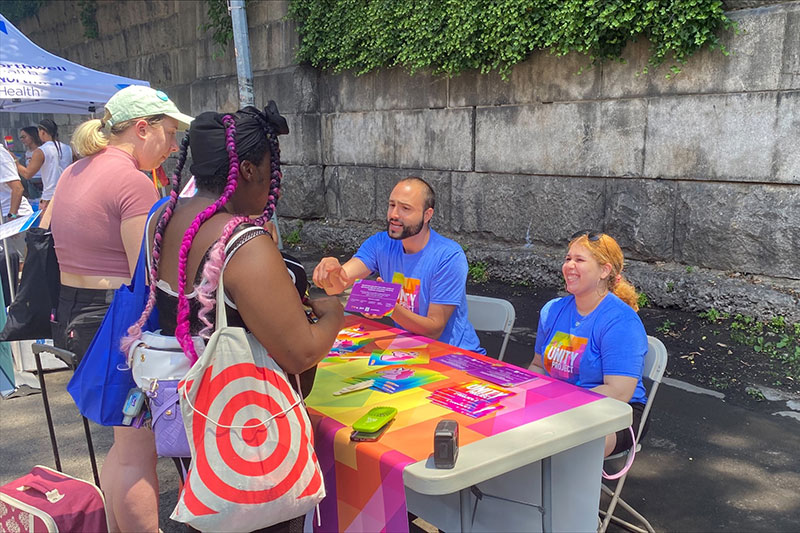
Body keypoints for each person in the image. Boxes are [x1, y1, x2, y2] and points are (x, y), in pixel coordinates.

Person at [123, 102, 343, 531]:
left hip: (195, 413)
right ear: (246, 170)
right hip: (248, 429)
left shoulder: (163, 222)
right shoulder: (243, 242)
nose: (270, 179)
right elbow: (300, 352)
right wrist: (334, 313)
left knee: (212, 510)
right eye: (267, 167)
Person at [49, 85, 192, 533]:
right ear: (142, 128)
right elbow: (147, 273)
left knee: (122, 442)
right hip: (116, 320)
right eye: (169, 134)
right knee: (137, 451)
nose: (172, 147)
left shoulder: (76, 169)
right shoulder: (131, 179)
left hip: (75, 312)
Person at [313, 177, 484, 354]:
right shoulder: (380, 243)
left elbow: (434, 330)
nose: (394, 214)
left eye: (405, 208)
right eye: (392, 205)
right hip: (407, 352)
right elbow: (338, 284)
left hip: (455, 356)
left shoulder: (448, 256)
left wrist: (390, 307)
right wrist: (330, 270)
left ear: (427, 215)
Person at [529, 231, 648, 457]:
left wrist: (559, 404)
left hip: (618, 412)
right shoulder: (552, 310)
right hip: (559, 405)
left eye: (580, 260)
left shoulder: (620, 321)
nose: (569, 266)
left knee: (562, 446)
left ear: (604, 271)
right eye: (567, 259)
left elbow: (619, 391)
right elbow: (537, 366)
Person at [15, 119, 69, 210]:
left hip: (49, 196)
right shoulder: (68, 148)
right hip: (66, 193)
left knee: (45, 223)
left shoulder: (41, 151)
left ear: (42, 132)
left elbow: (27, 174)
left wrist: (15, 162)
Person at [18, 126, 43, 198]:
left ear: (32, 136)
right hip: (31, 183)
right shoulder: (27, 153)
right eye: (21, 137)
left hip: (41, 182)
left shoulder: (42, 150)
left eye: (24, 137)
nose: (22, 140)